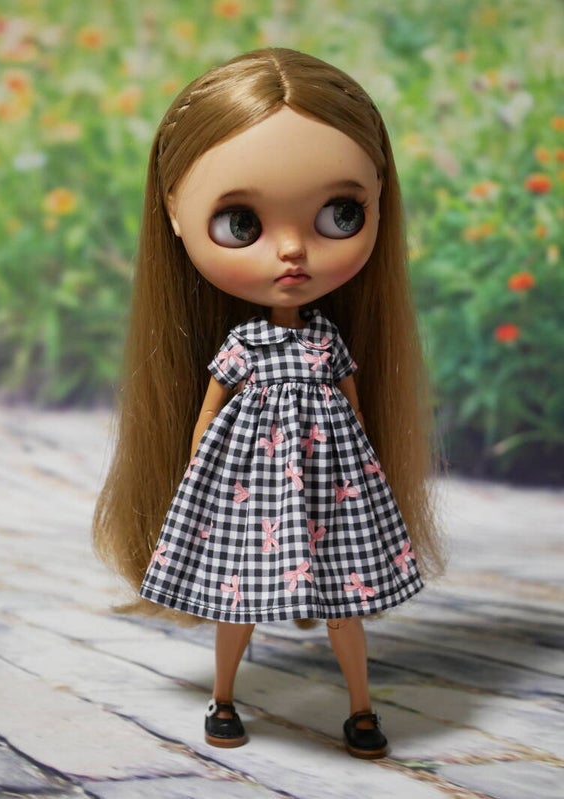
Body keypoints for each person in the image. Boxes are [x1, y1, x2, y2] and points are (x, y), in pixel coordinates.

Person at [93, 47, 442, 760]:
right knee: (238, 600)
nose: (291, 251)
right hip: (249, 490)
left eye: (340, 214)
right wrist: (203, 473)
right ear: (174, 212)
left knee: (345, 605)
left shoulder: (327, 341)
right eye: (241, 224)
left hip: (331, 490)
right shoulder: (245, 344)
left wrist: (364, 474)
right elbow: (209, 414)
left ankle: (361, 708)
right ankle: (223, 698)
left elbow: (354, 410)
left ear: (379, 199)